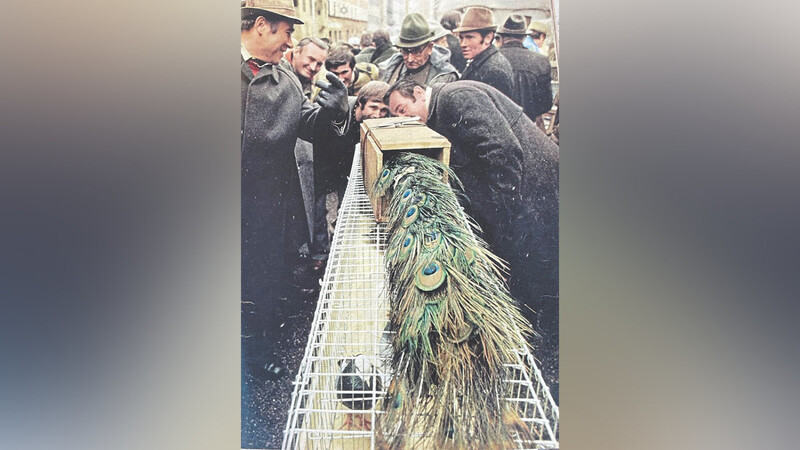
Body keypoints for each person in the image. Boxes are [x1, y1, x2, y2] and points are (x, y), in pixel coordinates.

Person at [384, 78, 559, 336]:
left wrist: (503, 214)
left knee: (538, 262)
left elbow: (502, 151)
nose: (404, 118)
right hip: (522, 191)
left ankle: (545, 339)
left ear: (419, 94)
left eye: (402, 110)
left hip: (533, 187)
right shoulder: (440, 109)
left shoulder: (456, 98)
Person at [240, 0, 350, 384]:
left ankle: (256, 353)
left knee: (260, 281)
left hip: (267, 204)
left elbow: (306, 123)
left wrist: (334, 111)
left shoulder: (283, 76)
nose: (291, 39)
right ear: (260, 25)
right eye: (287, 29)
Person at [310, 81, 392, 267]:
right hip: (322, 161)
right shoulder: (340, 108)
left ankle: (341, 251)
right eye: (373, 107)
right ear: (360, 103)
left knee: (347, 209)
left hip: (346, 167)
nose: (377, 115)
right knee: (318, 209)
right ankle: (319, 256)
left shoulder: (376, 122)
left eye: (384, 110)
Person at [496, 14, 553, 124]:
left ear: (502, 37)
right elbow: (546, 104)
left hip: (499, 127)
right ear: (524, 37)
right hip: (528, 125)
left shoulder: (491, 58)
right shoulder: (541, 61)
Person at [381, 13, 458, 86]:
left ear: (430, 48)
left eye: (417, 52)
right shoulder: (394, 66)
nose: (410, 59)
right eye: (405, 52)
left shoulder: (445, 76)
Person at [454, 6, 514, 99]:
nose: (463, 44)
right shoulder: (483, 62)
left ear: (488, 37)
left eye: (469, 37)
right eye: (461, 37)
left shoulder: (495, 71)